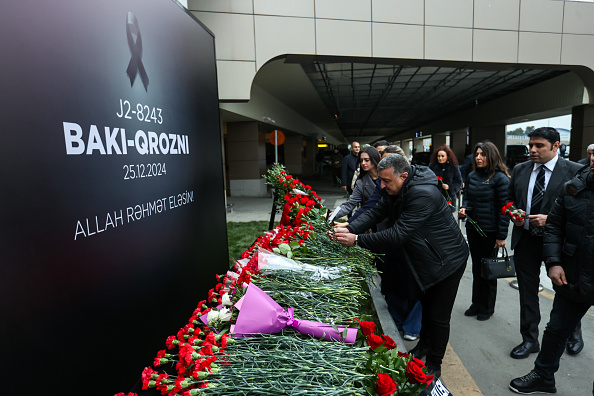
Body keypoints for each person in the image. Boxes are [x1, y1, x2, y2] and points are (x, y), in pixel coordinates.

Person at [333, 154, 469, 377]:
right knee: (427, 309)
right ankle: (423, 348)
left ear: (404, 176)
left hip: (447, 262)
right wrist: (351, 229)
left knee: (438, 317)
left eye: (387, 181)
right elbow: (378, 211)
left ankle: (434, 365)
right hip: (428, 259)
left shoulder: (422, 194)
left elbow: (398, 234)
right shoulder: (399, 188)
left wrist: (356, 240)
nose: (383, 186)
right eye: (381, 181)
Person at [509, 159, 594, 394]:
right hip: (574, 273)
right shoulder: (576, 186)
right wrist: (555, 263)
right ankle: (543, 375)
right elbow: (556, 225)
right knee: (556, 329)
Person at [507, 127, 583, 360]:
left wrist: (550, 219)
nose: (532, 150)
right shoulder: (520, 170)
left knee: (567, 292)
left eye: (539, 145)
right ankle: (530, 340)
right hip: (526, 241)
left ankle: (573, 333)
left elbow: (583, 213)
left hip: (559, 245)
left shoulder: (575, 172)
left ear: (556, 146)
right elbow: (509, 200)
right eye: (530, 145)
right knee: (527, 294)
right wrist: (514, 214)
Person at [458, 142, 510, 321]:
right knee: (477, 269)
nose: (478, 158)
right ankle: (476, 303)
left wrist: (501, 236)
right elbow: (468, 199)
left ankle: (487, 308)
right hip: (474, 229)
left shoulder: (500, 178)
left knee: (489, 271)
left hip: (491, 232)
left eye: (483, 154)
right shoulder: (472, 176)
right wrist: (464, 209)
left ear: (492, 156)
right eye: (477, 154)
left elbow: (505, 208)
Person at [332, 147, 380, 220]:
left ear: (375, 159)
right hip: (372, 221)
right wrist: (331, 214)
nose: (363, 163)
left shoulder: (386, 177)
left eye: (366, 160)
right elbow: (350, 204)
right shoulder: (361, 183)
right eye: (361, 160)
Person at [428, 145, 462, 211]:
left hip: (449, 199)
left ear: (447, 157)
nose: (440, 158)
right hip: (435, 198)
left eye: (442, 156)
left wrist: (449, 187)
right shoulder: (432, 167)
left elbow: (458, 182)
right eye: (438, 156)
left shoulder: (453, 167)